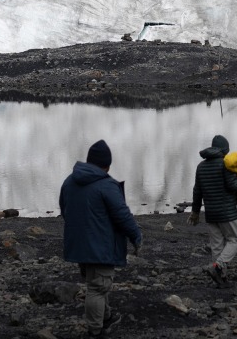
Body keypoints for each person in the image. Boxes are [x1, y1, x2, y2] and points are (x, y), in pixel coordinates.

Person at [59, 140, 143, 338]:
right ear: (107, 165)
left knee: (96, 282)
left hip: (79, 244)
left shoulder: (69, 181)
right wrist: (136, 237)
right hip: (100, 245)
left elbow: (65, 209)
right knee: (97, 287)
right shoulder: (106, 185)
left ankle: (106, 316)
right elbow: (122, 215)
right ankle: (95, 330)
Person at [188, 134, 237, 287]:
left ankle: (220, 278)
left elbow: (197, 191)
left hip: (211, 213)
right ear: (225, 150)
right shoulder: (226, 165)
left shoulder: (201, 166)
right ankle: (218, 267)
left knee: (217, 245)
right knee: (235, 239)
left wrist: (195, 212)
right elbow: (234, 186)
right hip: (227, 212)